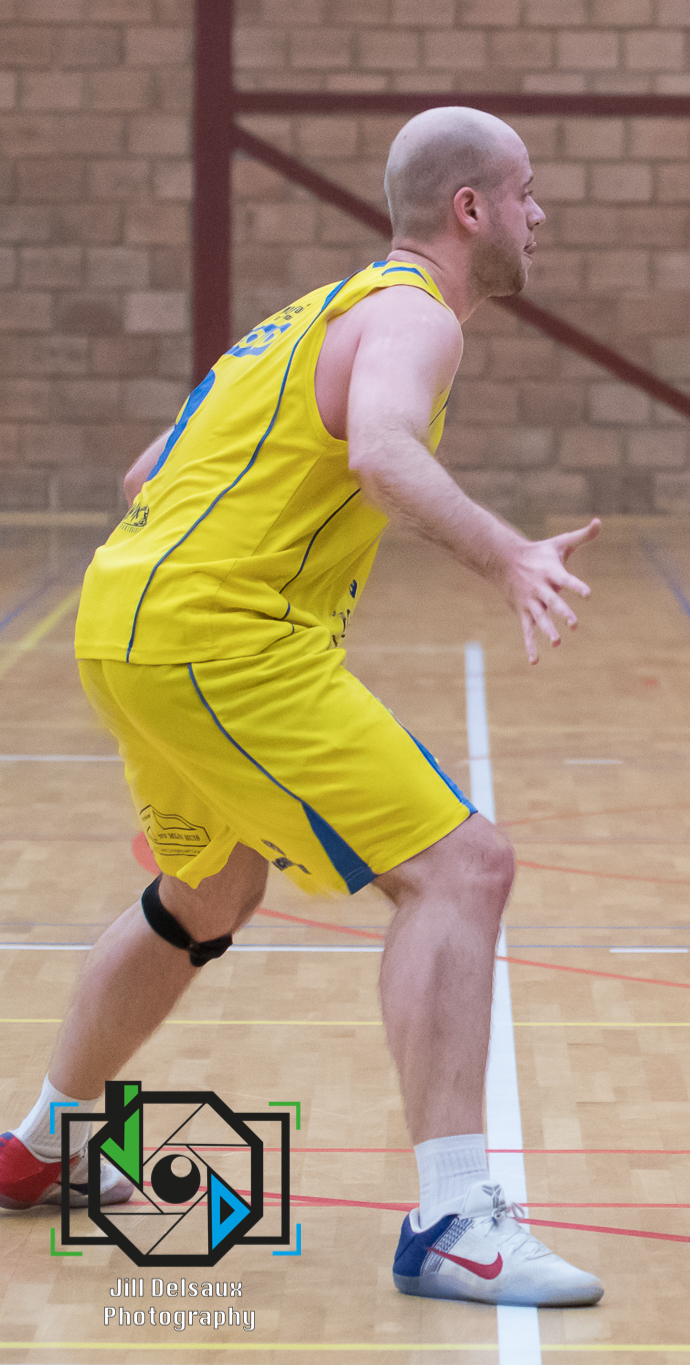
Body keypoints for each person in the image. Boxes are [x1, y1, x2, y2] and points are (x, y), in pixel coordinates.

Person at [0, 107, 606, 1306]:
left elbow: (145, 473)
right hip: (220, 639)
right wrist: (506, 555)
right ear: (469, 210)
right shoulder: (417, 318)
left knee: (210, 891)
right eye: (525, 192)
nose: (540, 214)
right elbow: (380, 450)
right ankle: (453, 1221)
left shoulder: (308, 317)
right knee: (464, 869)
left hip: (124, 625)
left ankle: (41, 1145)